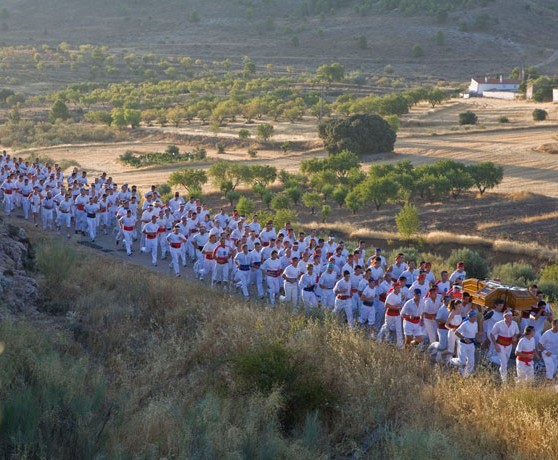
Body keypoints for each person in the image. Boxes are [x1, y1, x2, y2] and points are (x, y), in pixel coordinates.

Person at [490, 310, 520, 383]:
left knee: (505, 360)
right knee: (504, 363)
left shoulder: (514, 324)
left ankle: (491, 359)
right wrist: (496, 345)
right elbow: (492, 334)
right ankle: (504, 380)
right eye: (509, 316)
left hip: (509, 345)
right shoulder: (499, 324)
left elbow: (517, 333)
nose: (510, 317)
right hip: (500, 344)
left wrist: (515, 337)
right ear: (504, 317)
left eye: (511, 316)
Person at [452, 311, 479, 377]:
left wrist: (478, 340)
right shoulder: (465, 324)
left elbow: (475, 333)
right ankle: (451, 360)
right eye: (474, 317)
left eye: (476, 317)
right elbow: (456, 332)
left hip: (471, 344)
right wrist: (464, 338)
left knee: (471, 361)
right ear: (470, 317)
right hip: (463, 344)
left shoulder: (475, 323)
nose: (475, 318)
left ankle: (466, 375)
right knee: (462, 361)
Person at [378, 281, 404, 348]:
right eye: (397, 288)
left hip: (397, 314)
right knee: (386, 327)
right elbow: (386, 305)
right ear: (394, 288)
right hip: (390, 314)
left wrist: (400, 306)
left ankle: (400, 345)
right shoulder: (390, 295)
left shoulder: (400, 294)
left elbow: (399, 303)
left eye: (399, 288)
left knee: (399, 329)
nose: (399, 289)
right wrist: (395, 307)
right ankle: (379, 339)